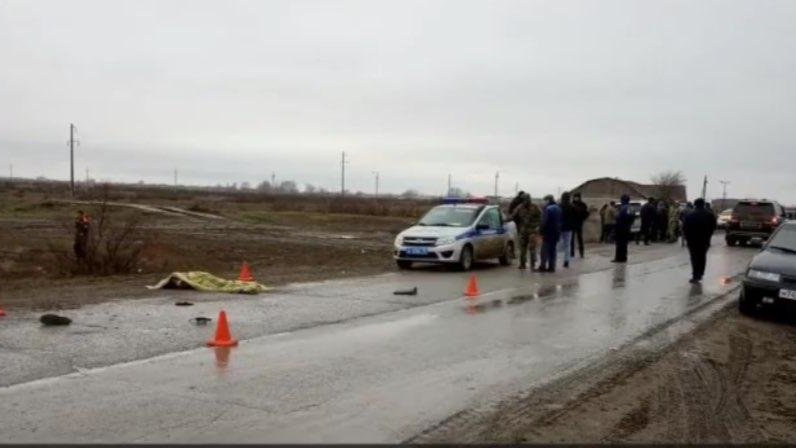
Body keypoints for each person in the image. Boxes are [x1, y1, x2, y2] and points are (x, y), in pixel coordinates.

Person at [683, 198, 716, 283]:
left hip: (692, 241)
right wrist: (708, 236)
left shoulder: (689, 215)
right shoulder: (710, 215)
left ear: (695, 205)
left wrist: (687, 239)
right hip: (704, 240)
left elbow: (685, 228)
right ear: (703, 204)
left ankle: (695, 275)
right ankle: (700, 273)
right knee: (702, 257)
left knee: (694, 258)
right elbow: (713, 228)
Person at [511, 193, 542, 270]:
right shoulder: (520, 207)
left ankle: (532, 265)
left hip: (532, 231)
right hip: (523, 230)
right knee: (522, 248)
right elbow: (513, 216)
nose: (525, 201)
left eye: (526, 200)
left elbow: (541, 217)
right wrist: (504, 220)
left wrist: (537, 226)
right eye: (524, 200)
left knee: (532, 248)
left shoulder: (535, 207)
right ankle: (522, 264)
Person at [539, 194, 562, 273]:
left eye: (544, 201)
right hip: (556, 232)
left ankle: (543, 266)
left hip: (548, 232)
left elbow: (543, 222)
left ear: (548, 200)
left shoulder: (547, 209)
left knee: (544, 250)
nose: (543, 202)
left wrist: (540, 231)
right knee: (553, 250)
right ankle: (552, 267)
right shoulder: (558, 208)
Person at [612, 195, 635, 263]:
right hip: (627, 227)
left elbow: (618, 217)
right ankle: (624, 257)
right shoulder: (631, 208)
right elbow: (632, 217)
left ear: (623, 200)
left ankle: (618, 258)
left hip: (620, 228)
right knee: (625, 244)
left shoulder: (623, 208)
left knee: (619, 244)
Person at [559, 192, 576, 268]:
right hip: (569, 227)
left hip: (560, 227)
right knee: (568, 245)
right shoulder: (572, 206)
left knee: (559, 243)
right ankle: (566, 261)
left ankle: (555, 258)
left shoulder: (559, 206)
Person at [570, 192, 589, 258]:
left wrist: (581, 218)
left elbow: (585, 213)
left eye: (577, 197)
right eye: (575, 197)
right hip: (572, 223)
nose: (576, 198)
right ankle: (571, 253)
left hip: (579, 223)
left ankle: (581, 253)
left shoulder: (583, 204)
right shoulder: (571, 204)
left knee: (580, 239)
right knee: (571, 239)